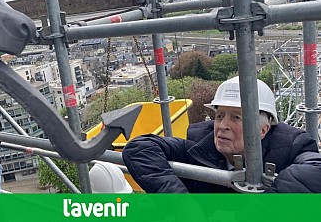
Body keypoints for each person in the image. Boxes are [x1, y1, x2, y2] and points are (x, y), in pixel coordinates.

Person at [123, 76, 321, 193]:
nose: (222, 125)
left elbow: (315, 170)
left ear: (263, 130)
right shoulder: (200, 146)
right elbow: (140, 148)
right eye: (219, 115)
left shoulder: (290, 146)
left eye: (236, 117)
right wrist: (183, 205)